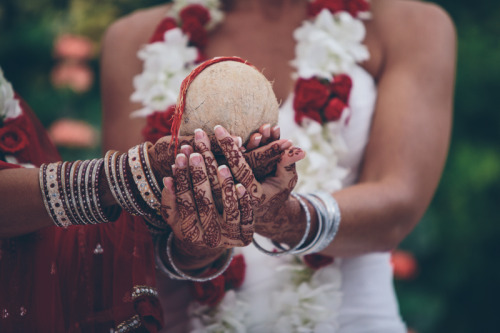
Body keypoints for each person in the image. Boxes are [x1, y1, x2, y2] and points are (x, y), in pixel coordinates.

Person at [100, 0, 456, 332]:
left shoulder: (410, 24)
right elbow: (127, 226)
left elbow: (398, 205)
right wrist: (196, 249)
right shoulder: (133, 39)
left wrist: (285, 217)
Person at [0, 62, 301, 331]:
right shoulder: (129, 34)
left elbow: (124, 238)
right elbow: (118, 234)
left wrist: (200, 245)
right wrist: (128, 177)